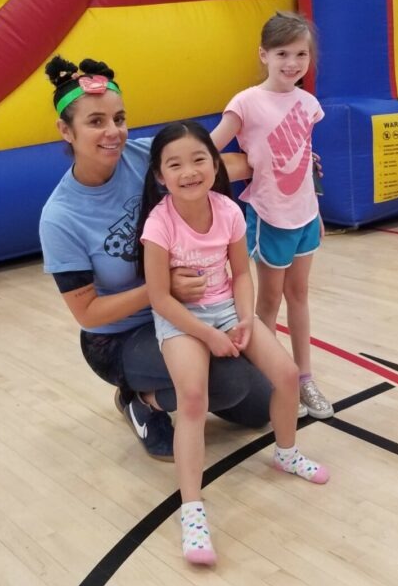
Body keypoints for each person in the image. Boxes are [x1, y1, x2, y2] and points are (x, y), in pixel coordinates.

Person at [39, 56, 273, 462]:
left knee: (261, 406)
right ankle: (141, 399)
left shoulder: (144, 155)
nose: (113, 132)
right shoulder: (61, 217)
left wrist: (287, 168)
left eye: (119, 118)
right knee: (230, 380)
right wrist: (161, 289)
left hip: (186, 311)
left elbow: (215, 165)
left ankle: (181, 387)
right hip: (119, 337)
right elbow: (89, 314)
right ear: (66, 130)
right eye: (96, 122)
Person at [139, 121, 330, 565]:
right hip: (182, 320)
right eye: (175, 164)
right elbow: (159, 297)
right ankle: (191, 509)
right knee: (192, 397)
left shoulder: (227, 209)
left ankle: (287, 453)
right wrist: (206, 334)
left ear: (215, 163)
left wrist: (245, 320)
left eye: (199, 159)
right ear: (159, 176)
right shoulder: (158, 223)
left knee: (285, 375)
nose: (189, 171)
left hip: (227, 308)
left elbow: (242, 274)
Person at [210, 11, 333, 420]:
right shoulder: (246, 102)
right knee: (267, 303)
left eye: (301, 54)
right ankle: (263, 380)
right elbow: (209, 151)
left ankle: (303, 378)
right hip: (269, 217)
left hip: (305, 217)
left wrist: (312, 196)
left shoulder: (308, 103)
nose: (293, 62)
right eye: (282, 53)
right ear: (263, 54)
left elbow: (302, 155)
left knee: (299, 297)